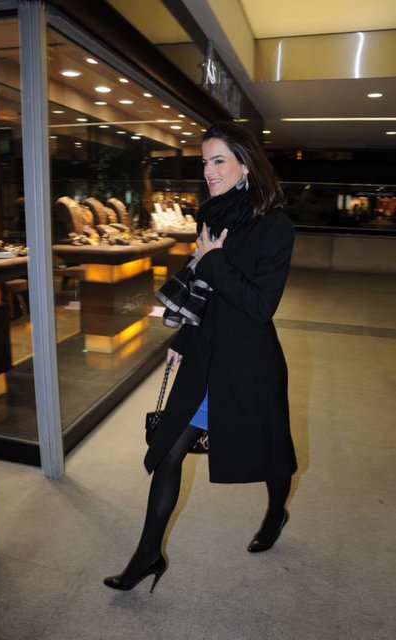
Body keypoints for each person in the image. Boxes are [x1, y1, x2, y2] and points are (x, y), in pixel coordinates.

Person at [103, 121, 297, 592]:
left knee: (273, 456)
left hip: (250, 365)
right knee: (168, 450)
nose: (209, 171)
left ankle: (276, 513)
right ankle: (148, 555)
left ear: (246, 165)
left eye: (218, 161)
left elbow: (260, 306)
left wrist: (212, 260)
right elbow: (201, 299)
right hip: (205, 356)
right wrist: (181, 346)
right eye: (205, 162)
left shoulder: (276, 226)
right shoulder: (211, 218)